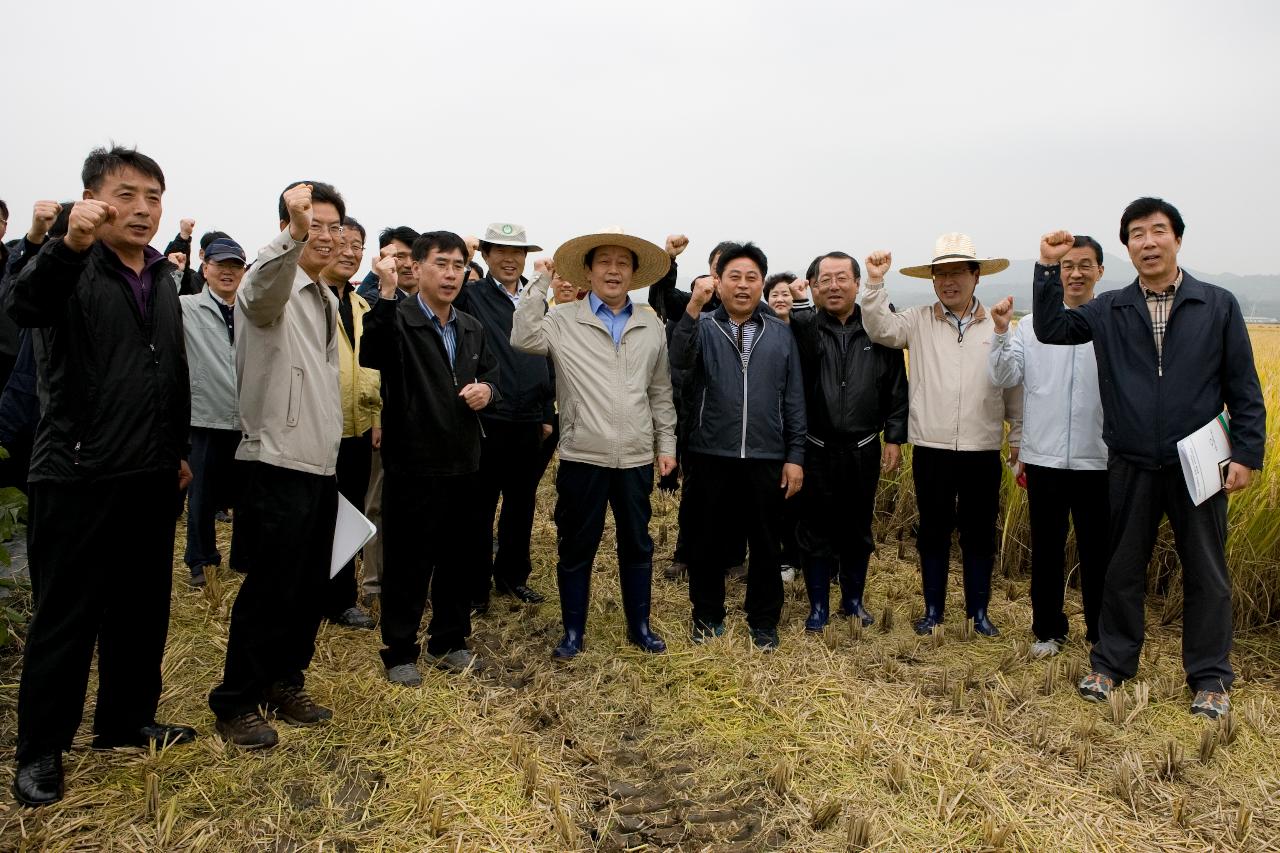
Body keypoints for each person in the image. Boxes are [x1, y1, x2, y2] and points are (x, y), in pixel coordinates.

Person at [6, 146, 195, 807]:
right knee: (66, 617)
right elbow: (21, 307)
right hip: (77, 472)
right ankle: (40, 750)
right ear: (92, 196)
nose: (143, 208)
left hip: (149, 473)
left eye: (154, 195)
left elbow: (170, 370)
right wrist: (65, 244)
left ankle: (125, 719)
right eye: (128, 193)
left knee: (142, 609)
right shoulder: (70, 265)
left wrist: (175, 448)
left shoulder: (163, 279)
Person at [1029, 199, 1266, 720]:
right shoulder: (1109, 308)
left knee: (1206, 571)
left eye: (1158, 231)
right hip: (1132, 460)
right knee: (1122, 568)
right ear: (1128, 248)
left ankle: (1209, 677)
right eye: (1137, 234)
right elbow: (1052, 329)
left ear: (1177, 239)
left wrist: (1247, 453)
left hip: (1198, 463)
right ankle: (1112, 663)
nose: (1149, 242)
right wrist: (1047, 269)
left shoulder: (1216, 304)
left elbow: (1244, 387)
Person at [208, 180, 345, 750]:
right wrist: (290, 233)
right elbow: (262, 287)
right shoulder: (272, 286)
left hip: (320, 461)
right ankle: (236, 700)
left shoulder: (327, 298)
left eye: (334, 226)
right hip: (276, 460)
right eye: (314, 224)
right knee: (269, 588)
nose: (326, 236)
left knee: (310, 586)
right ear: (292, 227)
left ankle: (284, 681)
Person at [512, 230, 677, 660]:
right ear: (588, 271)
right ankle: (572, 632)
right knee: (576, 543)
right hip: (584, 453)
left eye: (623, 263)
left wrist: (667, 445)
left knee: (638, 542)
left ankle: (639, 626)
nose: (613, 270)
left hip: (637, 455)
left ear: (634, 274)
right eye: (603, 262)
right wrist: (541, 282)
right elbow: (523, 337)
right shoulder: (563, 320)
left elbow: (660, 391)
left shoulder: (650, 323)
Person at [861, 234, 1022, 638]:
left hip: (982, 447)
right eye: (941, 274)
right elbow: (880, 329)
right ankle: (933, 610)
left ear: (976, 276)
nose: (949, 281)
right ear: (932, 280)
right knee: (933, 530)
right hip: (931, 447)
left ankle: (978, 612)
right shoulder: (917, 320)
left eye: (957, 273)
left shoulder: (1000, 326)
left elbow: (1013, 387)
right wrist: (874, 282)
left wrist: (1017, 435)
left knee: (979, 532)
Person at [361, 230, 499, 684]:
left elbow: (491, 377)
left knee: (459, 557)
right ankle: (400, 650)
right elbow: (373, 354)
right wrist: (383, 293)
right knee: (408, 560)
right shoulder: (396, 318)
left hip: (465, 460)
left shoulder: (470, 326)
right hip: (413, 462)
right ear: (416, 268)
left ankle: (449, 640)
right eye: (441, 263)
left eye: (458, 265)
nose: (451, 274)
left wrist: (488, 391)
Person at [668, 242, 805, 650]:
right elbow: (678, 360)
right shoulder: (704, 326)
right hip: (711, 452)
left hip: (765, 455)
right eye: (734, 277)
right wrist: (693, 307)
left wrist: (794, 456)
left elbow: (793, 398)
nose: (743, 286)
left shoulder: (781, 334)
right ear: (718, 282)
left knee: (765, 543)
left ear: (762, 284)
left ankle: (763, 620)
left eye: (752, 278)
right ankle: (707, 615)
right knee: (707, 541)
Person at [987, 235, 1109, 658]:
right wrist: (1001, 331)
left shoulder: (1110, 321)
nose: (1075, 274)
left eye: (1084, 265)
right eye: (1066, 266)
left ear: (1100, 272)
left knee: (1099, 553)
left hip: (1100, 458)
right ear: (1055, 274)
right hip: (1043, 458)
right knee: (1047, 550)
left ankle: (1101, 633)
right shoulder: (1030, 326)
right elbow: (1005, 377)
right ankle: (1048, 631)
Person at [791, 251, 908, 631]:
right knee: (815, 528)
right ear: (814, 286)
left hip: (863, 448)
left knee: (857, 528)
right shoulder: (804, 329)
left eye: (842, 278)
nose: (834, 286)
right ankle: (818, 606)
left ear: (858, 284)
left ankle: (853, 602)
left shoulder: (877, 329)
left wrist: (894, 436)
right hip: (816, 447)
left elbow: (895, 385)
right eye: (825, 279)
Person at [460, 223, 556, 611]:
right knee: (479, 505)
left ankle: (513, 577)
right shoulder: (473, 297)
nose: (509, 259)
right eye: (499, 250)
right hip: (490, 416)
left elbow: (549, 358)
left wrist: (547, 411)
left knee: (521, 503)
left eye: (517, 252)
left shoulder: (537, 300)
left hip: (530, 419)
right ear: (485, 255)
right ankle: (474, 587)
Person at [318, 217, 382, 629]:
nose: (349, 251)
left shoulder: (361, 306)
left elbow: (372, 368)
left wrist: (377, 415)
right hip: (317, 428)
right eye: (341, 243)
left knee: (350, 514)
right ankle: (316, 592)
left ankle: (340, 597)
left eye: (357, 245)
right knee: (319, 515)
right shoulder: (307, 297)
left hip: (358, 428)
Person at [355, 225, 419, 607]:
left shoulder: (434, 301)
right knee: (377, 503)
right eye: (394, 256)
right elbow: (368, 366)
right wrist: (377, 418)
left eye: (410, 256)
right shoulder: (369, 298)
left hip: (423, 425)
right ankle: (374, 583)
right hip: (383, 418)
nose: (403, 264)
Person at [180, 236, 249, 588]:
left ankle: (244, 558)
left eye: (235, 265)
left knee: (248, 496)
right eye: (220, 265)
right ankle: (201, 560)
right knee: (203, 495)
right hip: (205, 415)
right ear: (205, 268)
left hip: (248, 418)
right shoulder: (186, 308)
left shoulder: (253, 310)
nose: (228, 272)